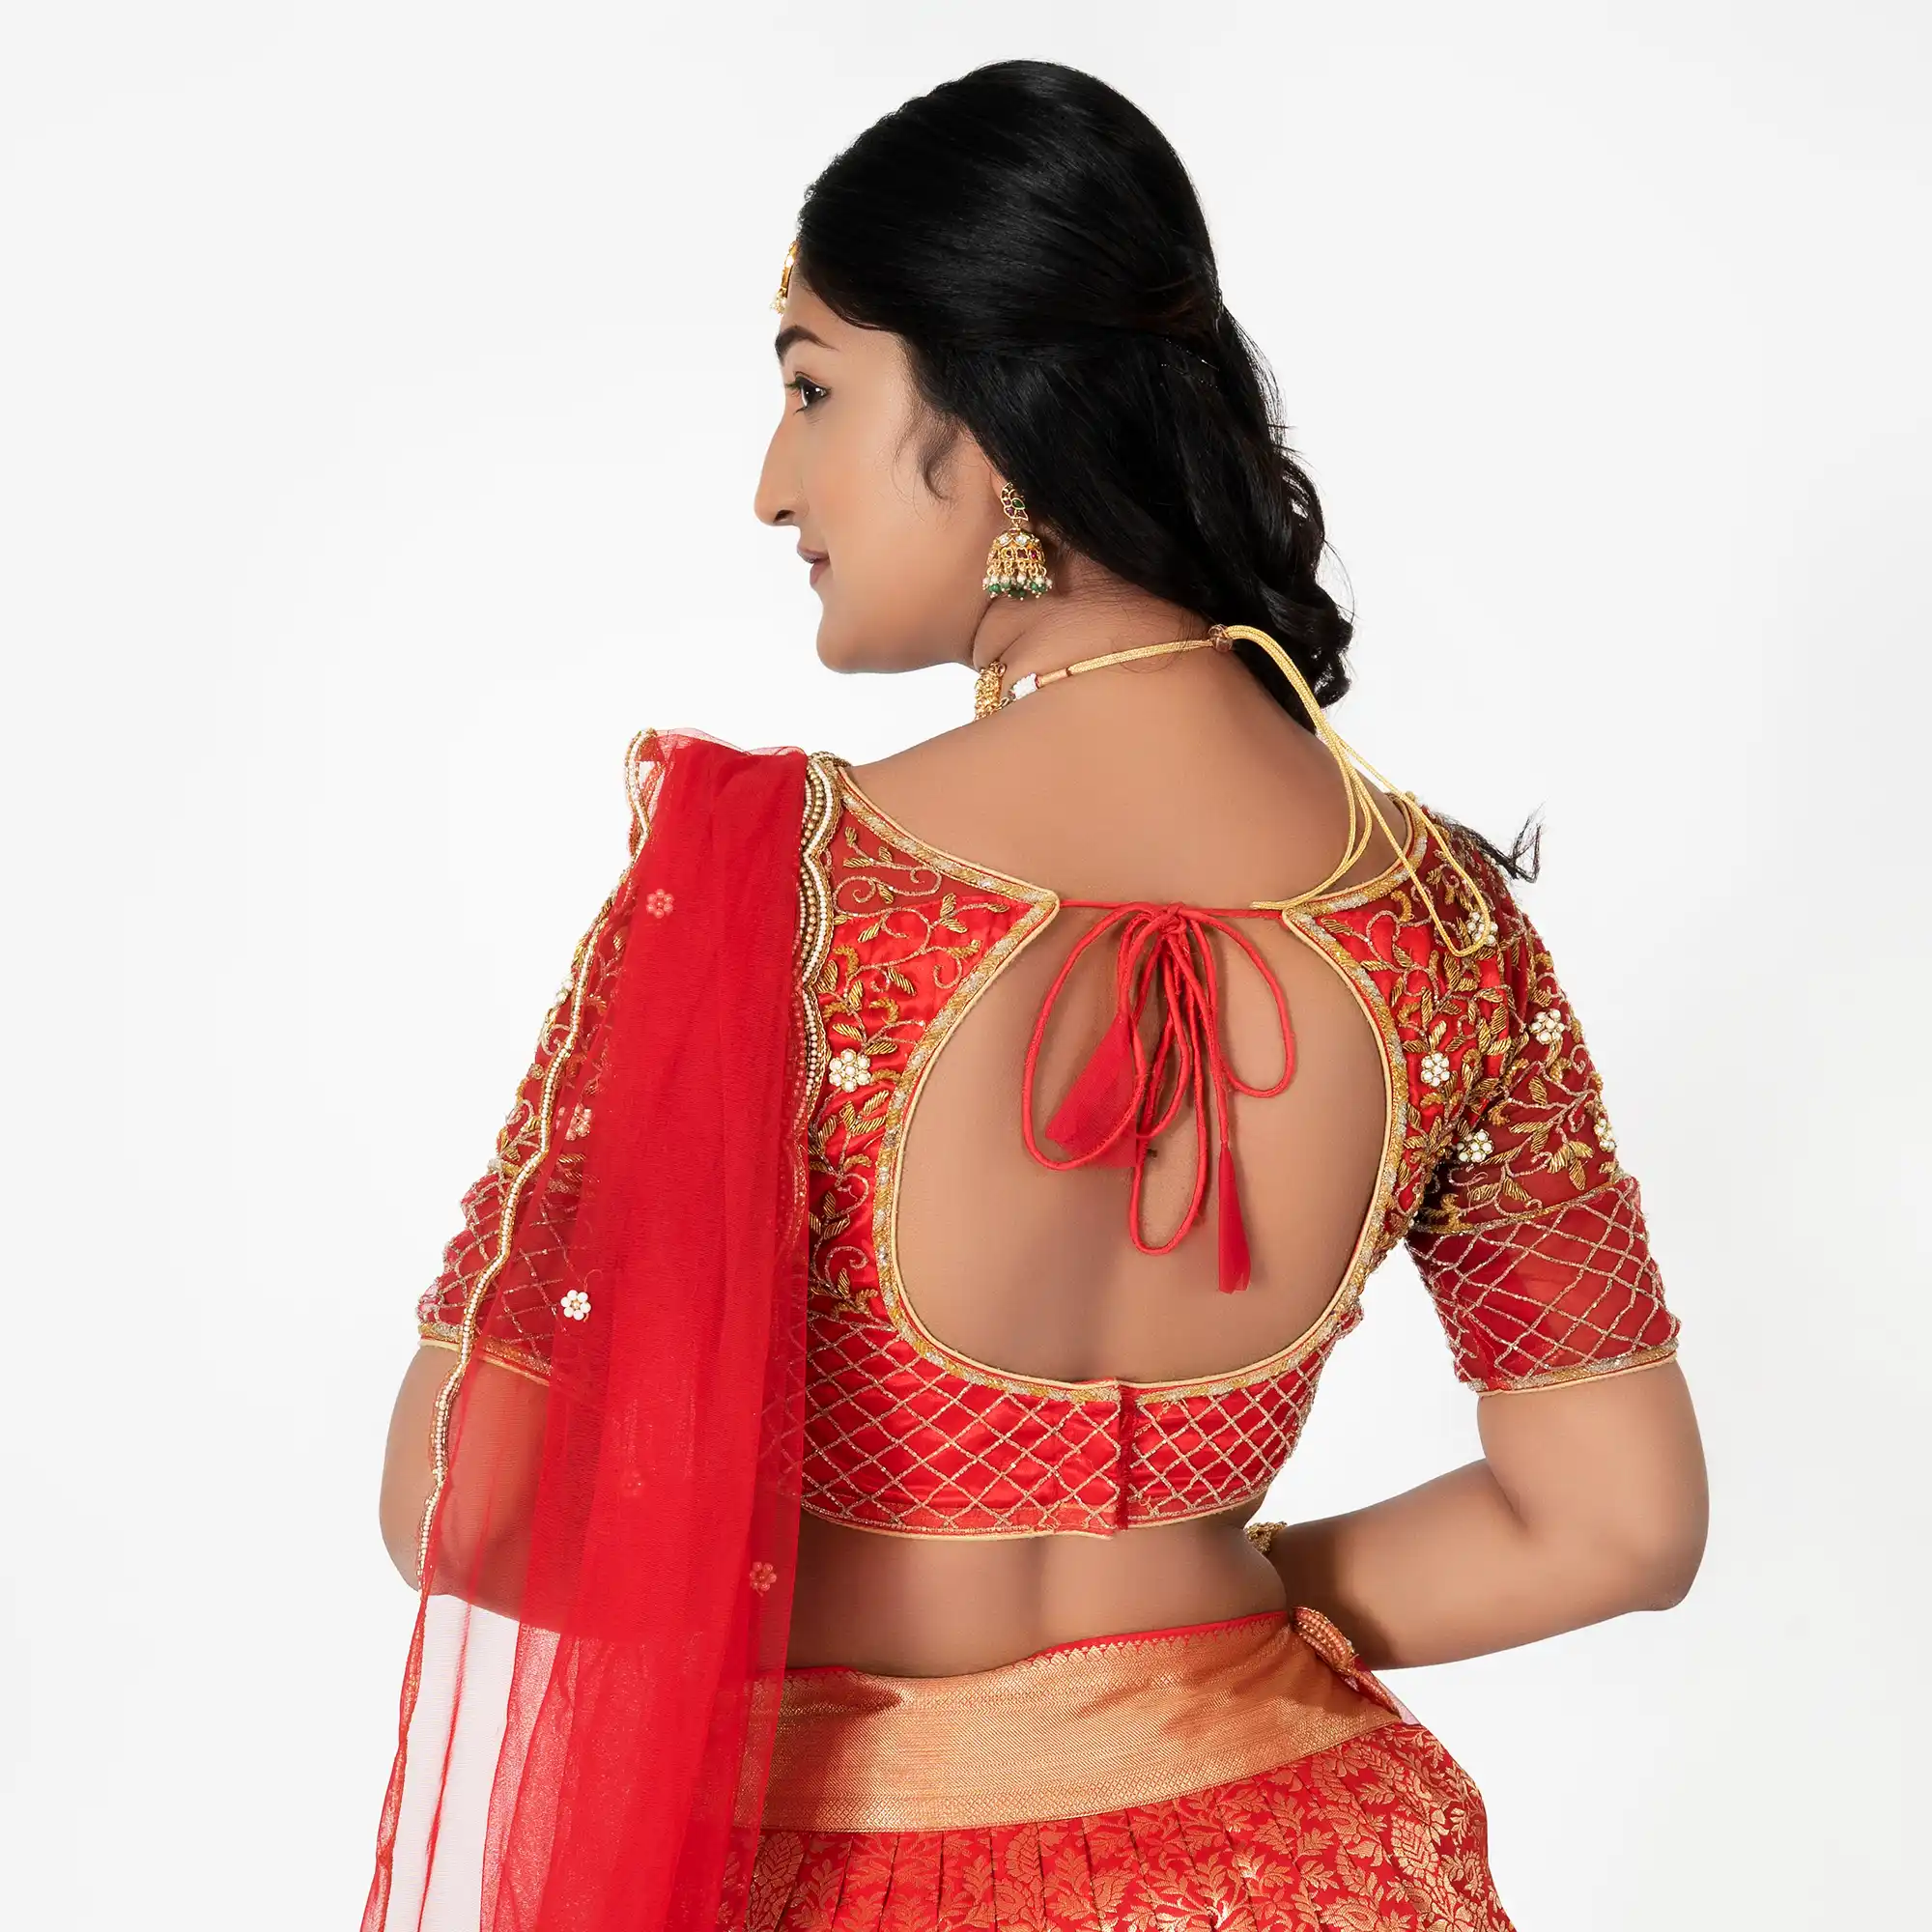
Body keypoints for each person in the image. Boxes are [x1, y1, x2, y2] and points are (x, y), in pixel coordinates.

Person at [366, 60, 1707, 1932]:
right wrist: (1199, 1625)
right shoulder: (1442, 916)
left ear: (988, 425)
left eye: (812, 387)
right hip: (1292, 1860)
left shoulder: (769, 885)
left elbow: (470, 1501)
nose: (772, 486)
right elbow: (1614, 1522)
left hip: (847, 1866)